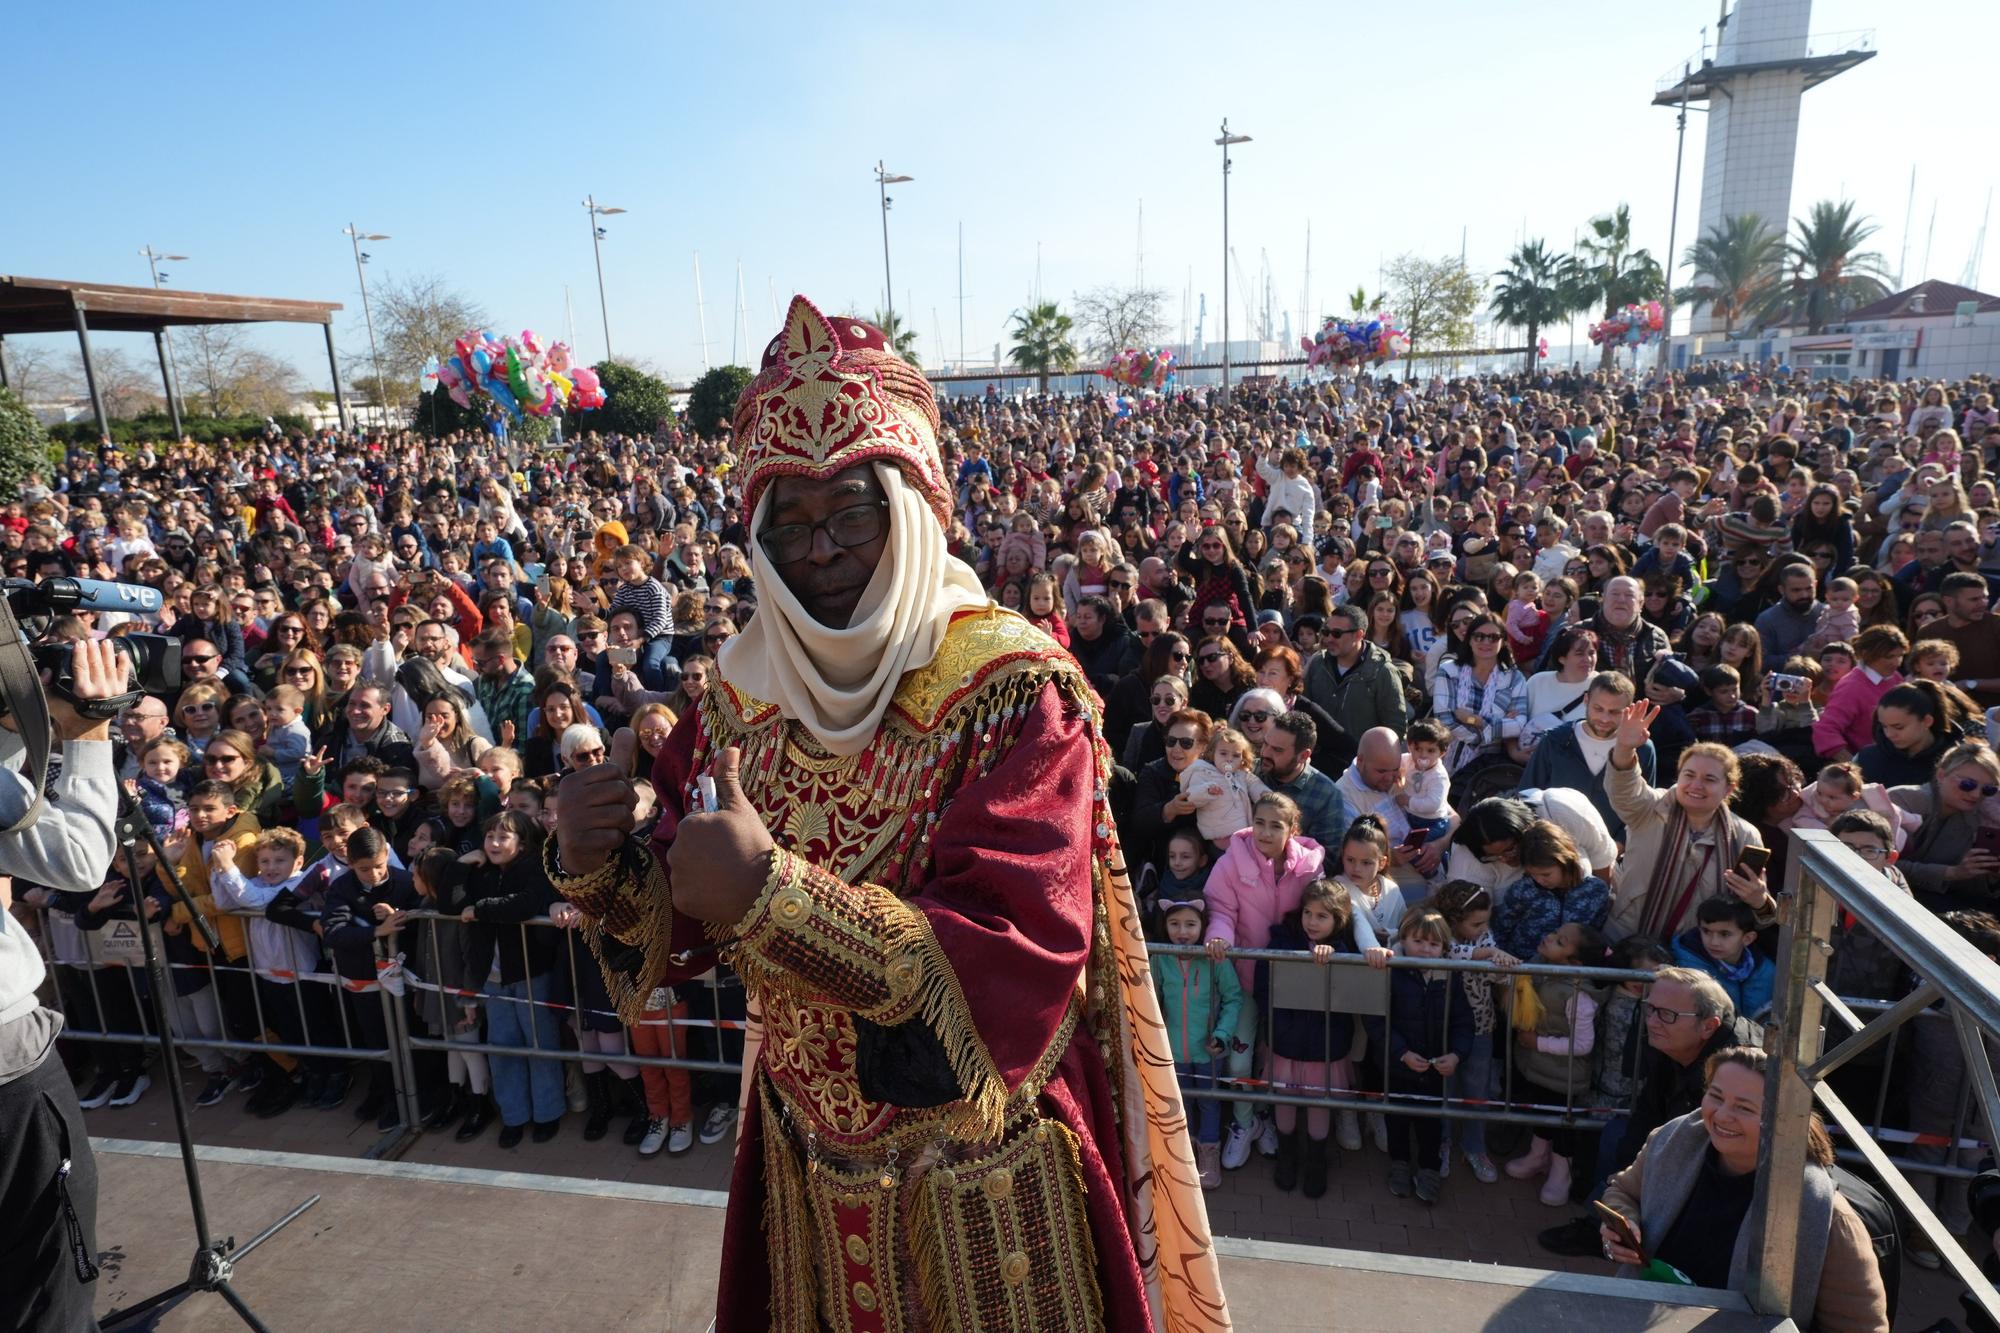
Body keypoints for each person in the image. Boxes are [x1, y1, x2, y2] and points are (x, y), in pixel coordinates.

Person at [547, 300, 1226, 1329]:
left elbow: (1018, 943)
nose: (820, 551)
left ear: (911, 508)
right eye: (789, 523)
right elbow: (682, 929)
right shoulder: (735, 700)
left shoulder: (1010, 687)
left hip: (983, 1175)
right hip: (809, 1167)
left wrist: (771, 895)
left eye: (851, 514)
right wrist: (599, 863)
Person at [0, 641, 132, 1333]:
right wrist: (89, 735)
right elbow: (80, 860)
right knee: (46, 1272)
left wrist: (17, 723)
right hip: (7, 1071)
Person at [1600, 1047, 1889, 1332]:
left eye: (1744, 1107)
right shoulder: (1670, 1142)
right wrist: (1622, 1230)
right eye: (1716, 1096)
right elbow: (1622, 1192)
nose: (1722, 1115)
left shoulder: (1830, 1218)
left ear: (1782, 1119)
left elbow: (1862, 1326)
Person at [1204, 792, 1326, 1171]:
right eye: (1260, 823)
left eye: (1276, 825)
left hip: (1290, 983)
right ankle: (1245, 1123)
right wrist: (1218, 936)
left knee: (1274, 1061)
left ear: (1292, 829)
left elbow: (1321, 911)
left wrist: (1319, 947)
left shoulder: (1310, 867)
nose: (1266, 832)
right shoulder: (1230, 862)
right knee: (1239, 1062)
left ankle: (1265, 1118)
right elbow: (1221, 910)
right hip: (1244, 979)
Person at [1603, 702, 1772, 943]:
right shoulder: (1650, 808)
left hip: (1695, 955)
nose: (1696, 785)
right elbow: (1623, 788)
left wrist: (1759, 900)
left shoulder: (1744, 835)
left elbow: (1761, 918)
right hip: (1627, 943)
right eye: (1689, 775)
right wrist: (1624, 748)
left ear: (1729, 788)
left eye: (1709, 779)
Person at [1254, 878, 1361, 1199]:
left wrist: (1337, 957)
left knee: (1319, 1103)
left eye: (1322, 916)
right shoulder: (1282, 941)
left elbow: (1351, 995)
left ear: (1338, 920)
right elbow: (1264, 984)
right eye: (1308, 913)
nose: (1312, 922)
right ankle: (1287, 1155)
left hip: (1324, 1046)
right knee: (1285, 1099)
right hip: (1286, 1041)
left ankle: (1316, 1160)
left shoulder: (1347, 949)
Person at [1365, 908, 1473, 1206]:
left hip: (1434, 1069)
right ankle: (1399, 1163)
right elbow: (1377, 1020)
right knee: (1397, 1119)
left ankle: (1429, 1169)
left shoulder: (1449, 976)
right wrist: (1401, 1053)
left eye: (1434, 944)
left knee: (1430, 1124)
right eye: (1418, 941)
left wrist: (1456, 1055)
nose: (1425, 949)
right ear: (1404, 939)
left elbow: (1464, 1022)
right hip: (1397, 1066)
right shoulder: (1390, 971)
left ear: (1444, 947)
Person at [1504, 920, 1612, 1207]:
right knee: (1541, 1114)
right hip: (1541, 1068)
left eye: (1560, 941)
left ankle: (1561, 1173)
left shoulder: (1579, 995)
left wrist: (1538, 1043)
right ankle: (1537, 1156)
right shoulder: (1543, 968)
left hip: (1565, 1075)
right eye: (1555, 933)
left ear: (1575, 962)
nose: (1549, 937)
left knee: (1563, 1124)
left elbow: (1582, 1044)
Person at [1151, 893, 1244, 1190]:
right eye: (1175, 924)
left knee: (1209, 1102)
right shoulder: (1160, 958)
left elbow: (1233, 998)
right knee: (1181, 1101)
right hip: (1172, 1051)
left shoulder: (1215, 960)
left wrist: (1222, 1035)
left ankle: (1209, 1153)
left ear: (1203, 926)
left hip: (1208, 1051)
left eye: (1190, 924)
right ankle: (1184, 1153)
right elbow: (1149, 1000)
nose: (1182, 931)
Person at [1521, 670, 1653, 841]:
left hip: (1616, 852)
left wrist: (1619, 845)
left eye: (1614, 712)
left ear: (1629, 710)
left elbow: (1644, 807)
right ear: (1586, 700)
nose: (1604, 719)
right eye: (1598, 709)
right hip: (1555, 847)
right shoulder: (1555, 740)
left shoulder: (1642, 749)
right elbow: (1527, 795)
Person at [1669, 897, 1775, 1022]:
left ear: (1747, 938)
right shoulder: (1685, 968)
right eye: (1706, 931)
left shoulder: (1767, 971)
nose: (1714, 942)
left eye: (1724, 934)